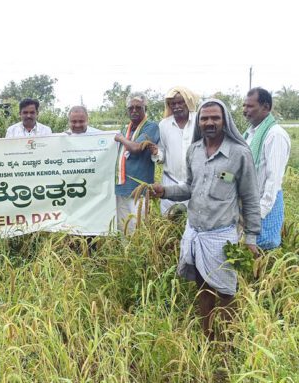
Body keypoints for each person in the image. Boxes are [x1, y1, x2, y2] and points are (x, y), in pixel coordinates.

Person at [151, 99, 261, 340]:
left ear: (225, 121)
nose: (209, 122)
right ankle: (208, 337)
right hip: (195, 233)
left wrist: (251, 237)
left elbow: (250, 197)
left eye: (215, 118)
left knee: (226, 292)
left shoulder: (239, 154)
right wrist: (165, 191)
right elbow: (190, 187)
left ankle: (229, 343)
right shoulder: (195, 151)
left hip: (220, 236)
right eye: (205, 118)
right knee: (202, 287)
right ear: (198, 122)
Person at [242, 87, 291, 250]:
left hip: (264, 206)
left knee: (263, 251)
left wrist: (260, 212)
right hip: (249, 203)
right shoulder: (250, 134)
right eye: (244, 106)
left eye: (250, 106)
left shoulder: (275, 135)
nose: (245, 110)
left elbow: (273, 180)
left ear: (266, 107)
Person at [113, 93, 160, 234]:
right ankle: (126, 256)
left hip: (139, 189)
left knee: (139, 229)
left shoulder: (151, 127)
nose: (134, 111)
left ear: (145, 108)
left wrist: (121, 138)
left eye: (138, 108)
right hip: (121, 187)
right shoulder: (124, 129)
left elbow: (136, 148)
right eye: (131, 108)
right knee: (123, 228)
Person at [151, 86, 199, 216]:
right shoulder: (164, 125)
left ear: (188, 102)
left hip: (196, 184)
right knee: (170, 223)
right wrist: (157, 153)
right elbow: (162, 154)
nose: (176, 106)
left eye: (180, 102)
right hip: (171, 183)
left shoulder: (199, 120)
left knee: (193, 225)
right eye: (173, 104)